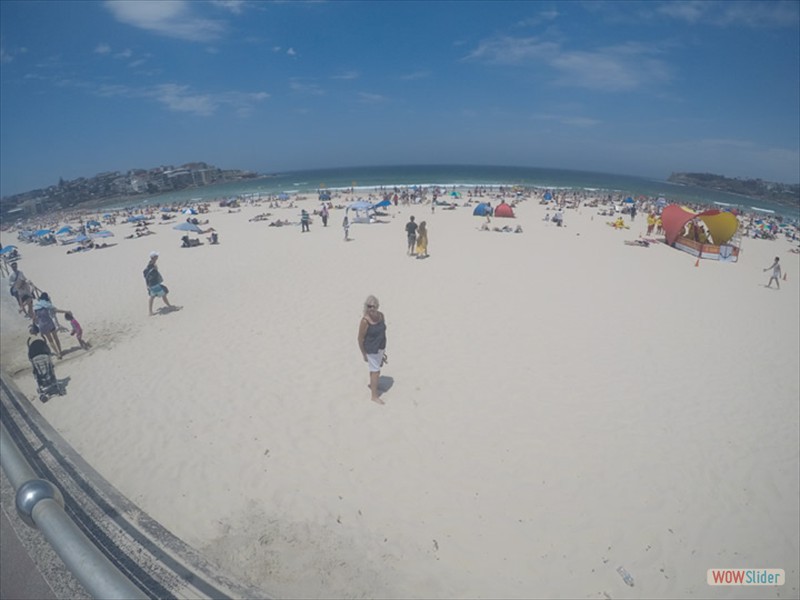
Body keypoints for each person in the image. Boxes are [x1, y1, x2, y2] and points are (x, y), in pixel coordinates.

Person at [357, 295, 387, 405]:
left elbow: (383, 331)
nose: (372, 309)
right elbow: (360, 338)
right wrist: (364, 353)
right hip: (371, 349)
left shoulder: (381, 316)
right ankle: (374, 396)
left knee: (375, 369)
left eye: (374, 306)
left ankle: (374, 386)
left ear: (377, 306)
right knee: (376, 371)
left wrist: (383, 351)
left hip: (380, 347)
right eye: (369, 306)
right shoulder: (365, 321)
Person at [32, 292, 67, 358]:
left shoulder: (36, 306)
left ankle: (57, 353)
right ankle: (60, 351)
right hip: (49, 323)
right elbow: (56, 310)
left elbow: (34, 318)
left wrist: (34, 325)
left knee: (50, 340)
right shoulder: (47, 304)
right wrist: (66, 311)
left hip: (42, 325)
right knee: (55, 337)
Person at [143, 251, 173, 316]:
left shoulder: (150, 264)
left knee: (152, 297)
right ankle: (169, 306)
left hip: (151, 284)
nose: (157, 257)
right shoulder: (152, 265)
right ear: (153, 257)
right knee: (163, 294)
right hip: (154, 284)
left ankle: (150, 312)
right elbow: (153, 275)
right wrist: (156, 269)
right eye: (156, 256)